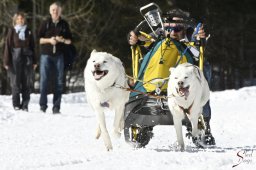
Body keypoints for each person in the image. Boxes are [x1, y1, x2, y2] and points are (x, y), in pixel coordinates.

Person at [127, 8, 215, 147]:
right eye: (168, 28)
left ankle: (203, 124)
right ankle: (141, 125)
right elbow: (143, 38)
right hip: (156, 79)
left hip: (185, 81)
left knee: (204, 71)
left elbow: (202, 36)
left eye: (177, 28)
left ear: (185, 27)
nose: (172, 32)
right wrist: (134, 38)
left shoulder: (192, 34)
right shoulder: (161, 34)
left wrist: (203, 35)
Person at [38, 2, 72, 114]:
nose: (55, 12)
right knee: (44, 81)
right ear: (50, 11)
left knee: (59, 82)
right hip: (46, 56)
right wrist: (49, 40)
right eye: (53, 10)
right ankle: (43, 106)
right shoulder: (45, 23)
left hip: (59, 56)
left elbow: (70, 41)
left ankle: (56, 107)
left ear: (60, 11)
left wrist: (61, 40)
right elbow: (39, 39)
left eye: (57, 10)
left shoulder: (64, 24)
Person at [3, 12, 37, 111]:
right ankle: (16, 104)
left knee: (26, 83)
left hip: (27, 60)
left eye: (22, 19)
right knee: (15, 83)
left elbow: (33, 47)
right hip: (15, 60)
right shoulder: (12, 31)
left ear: (24, 19)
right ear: (15, 20)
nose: (20, 20)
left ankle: (25, 104)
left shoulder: (29, 31)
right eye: (18, 19)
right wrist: (6, 61)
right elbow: (7, 46)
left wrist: (35, 61)